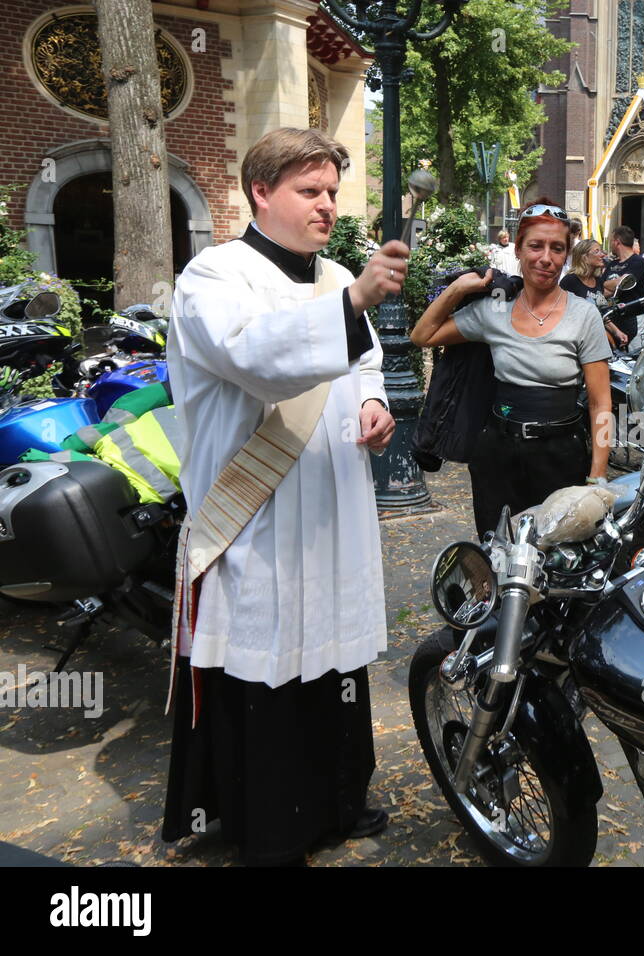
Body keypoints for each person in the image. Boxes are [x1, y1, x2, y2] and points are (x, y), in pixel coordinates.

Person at [162, 127, 402, 866]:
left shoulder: (332, 279)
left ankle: (335, 799)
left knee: (331, 664)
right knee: (265, 668)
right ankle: (272, 826)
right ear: (261, 192)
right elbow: (257, 359)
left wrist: (374, 403)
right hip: (257, 520)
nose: (327, 205)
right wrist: (357, 298)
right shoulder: (212, 277)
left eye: (332, 191)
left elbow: (364, 365)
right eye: (310, 190)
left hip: (332, 509)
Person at [411, 199, 614, 537]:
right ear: (518, 249)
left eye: (557, 248)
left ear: (567, 256)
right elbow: (422, 335)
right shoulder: (494, 310)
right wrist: (460, 288)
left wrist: (597, 477)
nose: (546, 258)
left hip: (561, 456)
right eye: (535, 246)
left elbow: (601, 403)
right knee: (497, 557)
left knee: (556, 565)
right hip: (496, 454)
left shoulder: (584, 315)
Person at [561, 238, 626, 348]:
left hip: (594, 341)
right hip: (574, 343)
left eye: (601, 251)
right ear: (584, 257)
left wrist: (617, 332)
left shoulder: (598, 281)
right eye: (597, 251)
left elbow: (602, 312)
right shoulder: (570, 281)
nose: (602, 255)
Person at [598, 225, 644, 348]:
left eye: (611, 241)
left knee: (635, 360)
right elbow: (601, 291)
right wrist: (613, 285)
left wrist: (606, 284)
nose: (610, 244)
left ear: (617, 242)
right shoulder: (612, 264)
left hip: (634, 318)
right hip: (613, 319)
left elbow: (624, 283)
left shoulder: (637, 261)